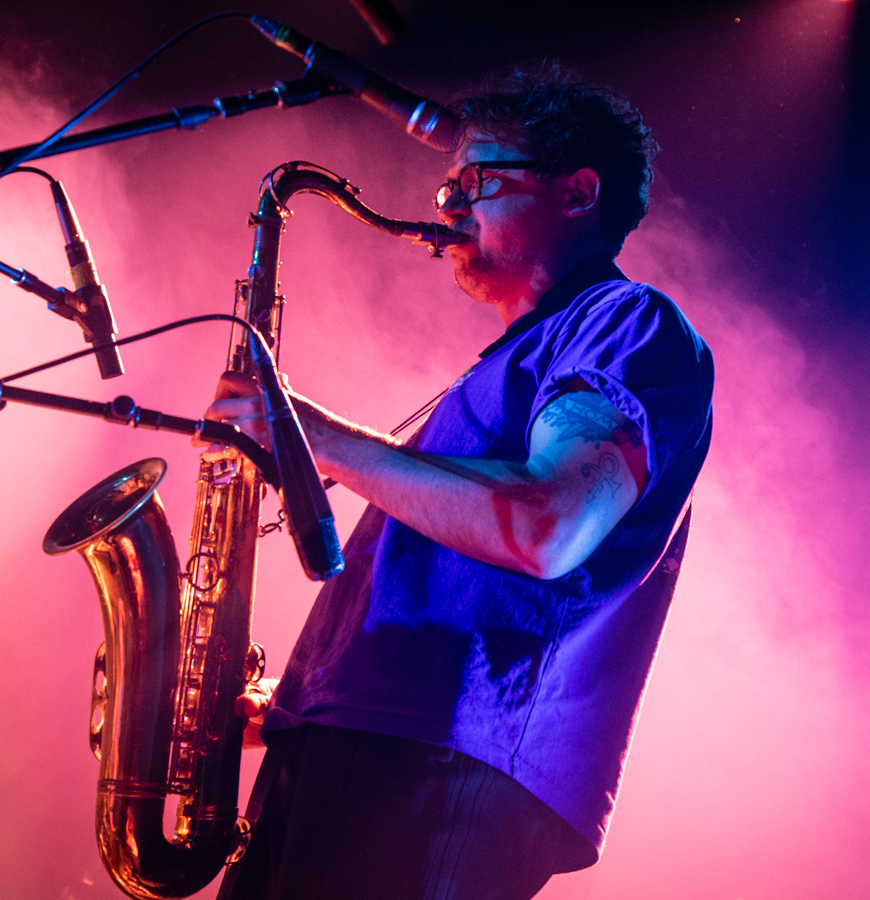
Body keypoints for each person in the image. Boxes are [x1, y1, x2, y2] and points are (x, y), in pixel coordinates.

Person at [207, 63, 714, 900]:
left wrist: (314, 436)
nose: (444, 209)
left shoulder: (625, 322)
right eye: (446, 189)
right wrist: (302, 708)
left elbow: (549, 527)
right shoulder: (505, 365)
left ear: (578, 192)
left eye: (474, 183)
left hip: (441, 762)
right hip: (365, 746)